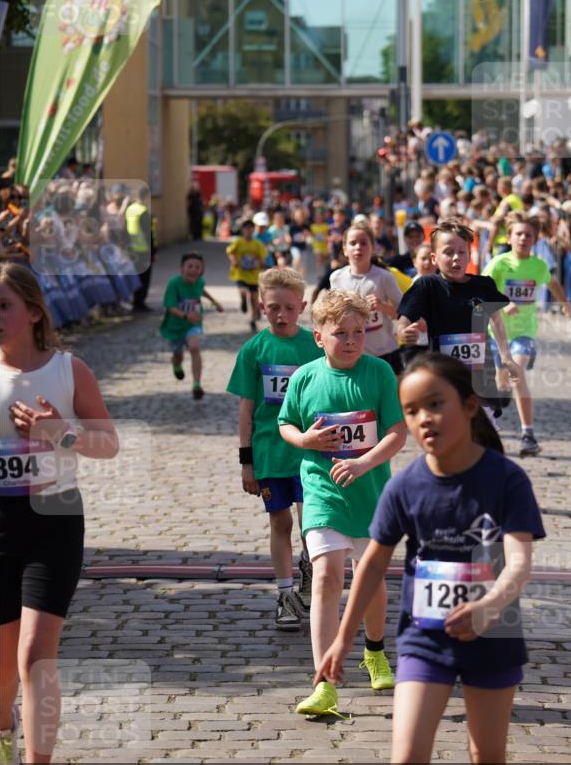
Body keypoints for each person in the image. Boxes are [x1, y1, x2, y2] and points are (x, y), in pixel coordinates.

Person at [316, 352, 545, 765]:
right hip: (424, 640)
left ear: (468, 407)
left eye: (436, 404)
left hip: (493, 636)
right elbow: (371, 564)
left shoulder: (506, 479)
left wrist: (491, 605)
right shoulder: (406, 485)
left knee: (485, 758)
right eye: (411, 410)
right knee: (406, 762)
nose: (424, 419)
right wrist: (343, 638)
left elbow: (518, 561)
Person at [0, 263, 119, 765]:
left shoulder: (68, 369)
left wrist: (59, 432)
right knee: (0, 673)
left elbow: (108, 444)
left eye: (3, 305)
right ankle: (5, 761)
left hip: (53, 520)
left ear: (34, 311)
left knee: (33, 658)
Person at [278, 290, 407, 717]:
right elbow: (285, 425)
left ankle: (374, 651)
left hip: (370, 494)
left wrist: (365, 462)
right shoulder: (305, 378)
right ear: (319, 337)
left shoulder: (380, 373)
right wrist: (306, 440)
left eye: (358, 332)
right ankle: (323, 681)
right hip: (322, 492)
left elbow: (396, 432)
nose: (351, 341)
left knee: (369, 582)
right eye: (340, 334)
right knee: (327, 579)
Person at [227, 268, 321, 631]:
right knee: (280, 522)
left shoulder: (313, 346)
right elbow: (246, 410)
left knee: (311, 524)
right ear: (261, 306)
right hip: (270, 454)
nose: (281, 315)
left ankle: (311, 569)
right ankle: (285, 596)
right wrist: (246, 463)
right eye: (273, 308)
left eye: (288, 308)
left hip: (310, 454)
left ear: (302, 306)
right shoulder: (253, 350)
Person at [397, 219, 520, 419]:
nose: (456, 258)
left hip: (481, 376)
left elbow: (496, 320)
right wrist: (404, 331)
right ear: (434, 258)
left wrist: (506, 356)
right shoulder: (428, 286)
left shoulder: (483, 285)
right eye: (448, 252)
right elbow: (404, 319)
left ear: (469, 255)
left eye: (462, 252)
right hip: (444, 374)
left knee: (482, 431)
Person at [483, 213, 571, 456]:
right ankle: (496, 411)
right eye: (519, 234)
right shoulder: (499, 263)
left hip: (525, 332)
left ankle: (528, 434)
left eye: (528, 235)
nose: (523, 238)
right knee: (502, 387)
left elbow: (552, 282)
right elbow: (482, 290)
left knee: (518, 373)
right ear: (510, 237)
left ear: (535, 240)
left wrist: (565, 304)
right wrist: (503, 303)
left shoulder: (538, 266)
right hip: (497, 334)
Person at [330, 221, 403, 375]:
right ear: (344, 250)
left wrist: (383, 307)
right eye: (353, 243)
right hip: (350, 351)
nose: (358, 247)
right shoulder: (336, 278)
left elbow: (404, 312)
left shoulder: (384, 277)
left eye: (364, 243)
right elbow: (331, 316)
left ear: (373, 248)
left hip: (384, 351)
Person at [159, 251, 223, 400]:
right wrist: (186, 315)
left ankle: (196, 384)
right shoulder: (174, 283)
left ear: (202, 270)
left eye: (197, 267)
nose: (194, 270)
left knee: (195, 347)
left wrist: (215, 303)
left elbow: (202, 291)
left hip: (193, 323)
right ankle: (176, 364)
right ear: (182, 268)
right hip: (175, 326)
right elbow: (170, 306)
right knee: (178, 355)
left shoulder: (200, 282)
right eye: (190, 266)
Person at [226, 217, 267, 332]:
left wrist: (259, 264)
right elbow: (230, 252)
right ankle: (243, 300)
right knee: (242, 291)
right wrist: (233, 260)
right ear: (242, 230)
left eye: (250, 228)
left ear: (254, 229)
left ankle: (253, 320)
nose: (248, 230)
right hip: (240, 273)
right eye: (246, 228)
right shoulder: (238, 242)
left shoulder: (257, 244)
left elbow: (262, 258)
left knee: (254, 299)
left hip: (253, 275)